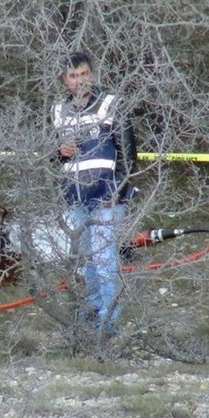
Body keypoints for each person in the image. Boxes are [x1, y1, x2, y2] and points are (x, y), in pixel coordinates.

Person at [51, 51, 138, 335]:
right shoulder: (58, 112)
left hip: (106, 196)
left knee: (104, 260)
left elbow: (128, 154)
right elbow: (51, 157)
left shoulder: (112, 105)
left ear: (93, 74)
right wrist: (59, 152)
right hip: (75, 198)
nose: (80, 81)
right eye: (73, 76)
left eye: (84, 74)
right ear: (65, 80)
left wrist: (118, 191)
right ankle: (91, 313)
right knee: (85, 260)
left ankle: (108, 323)